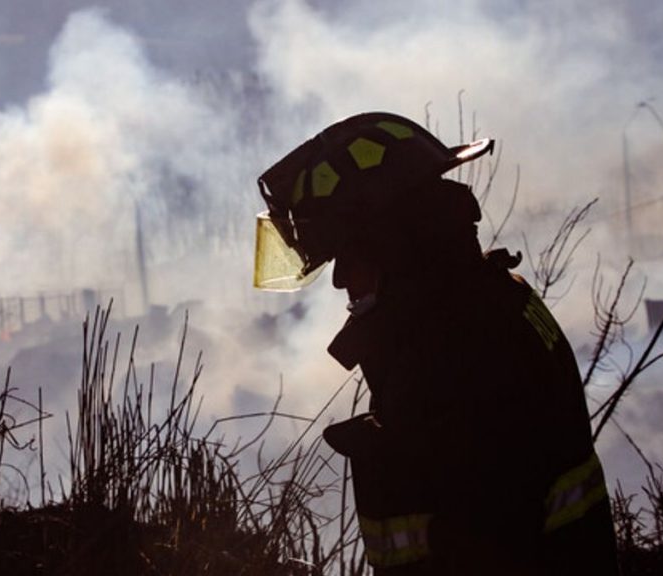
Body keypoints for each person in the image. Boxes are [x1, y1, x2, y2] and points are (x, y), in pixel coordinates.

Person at [252, 112, 619, 575]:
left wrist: (393, 443)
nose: (341, 280)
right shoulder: (487, 302)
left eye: (348, 257)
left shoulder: (452, 351)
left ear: (391, 245)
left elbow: (476, 544)